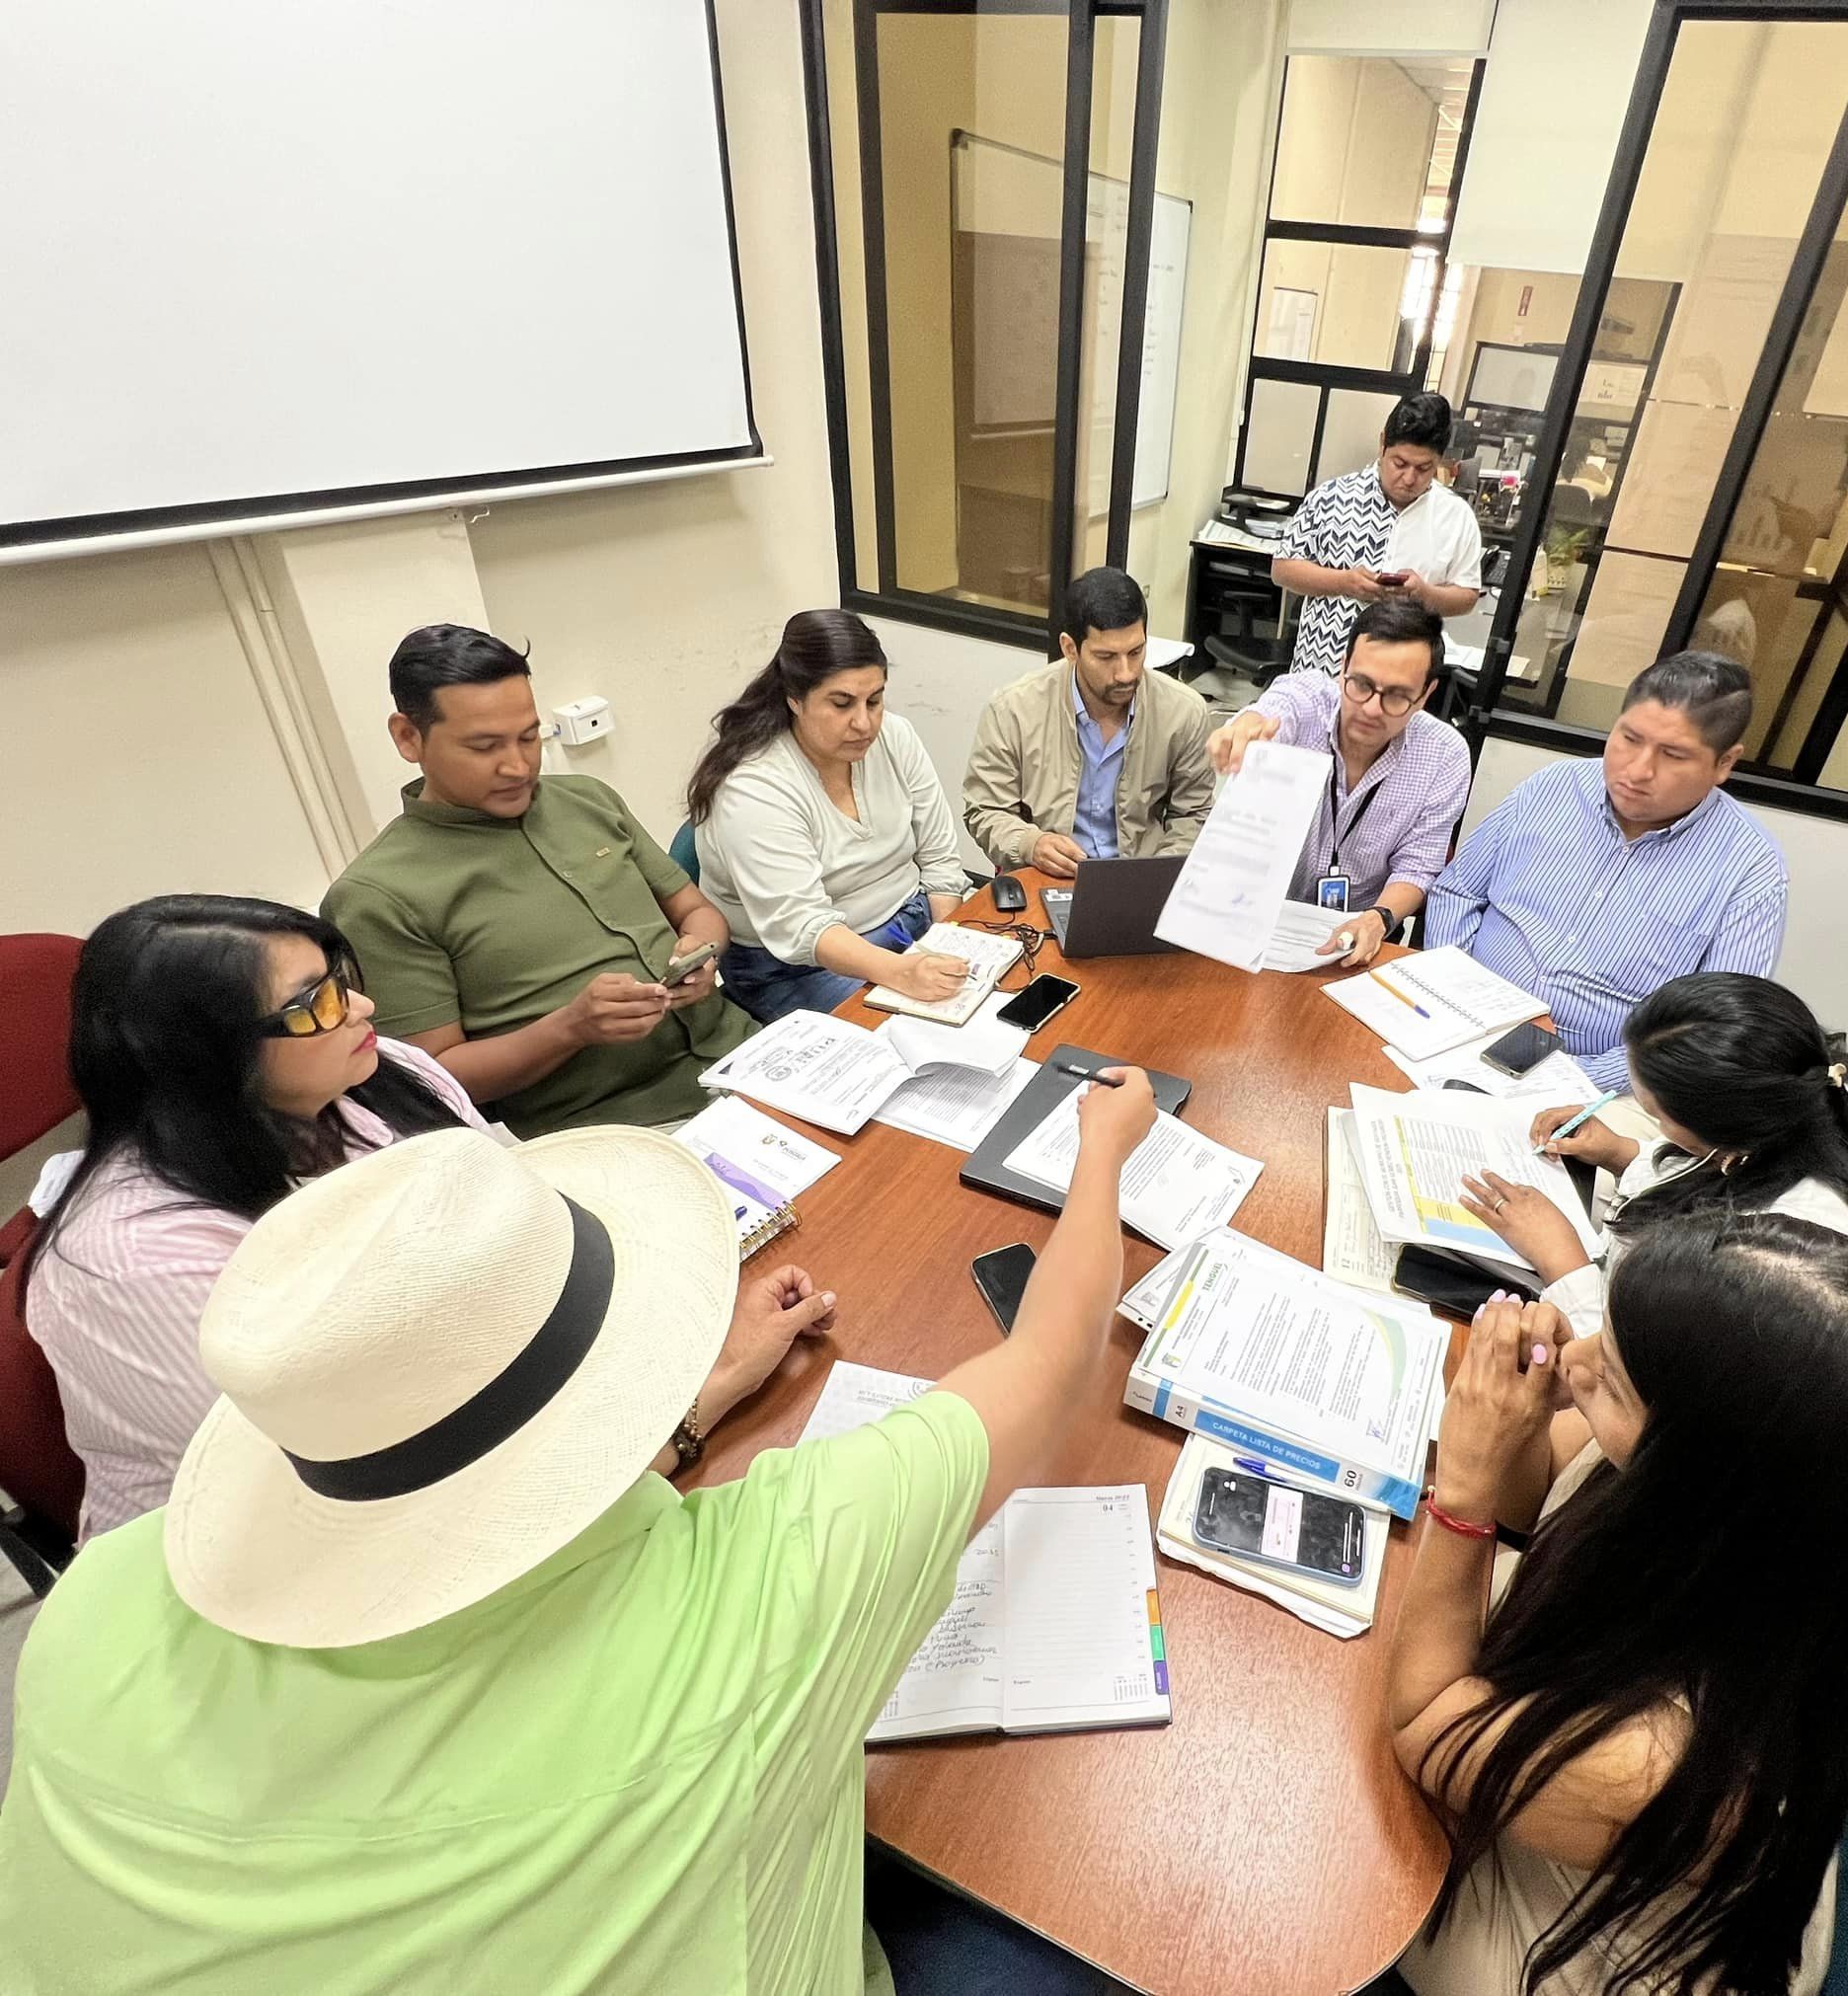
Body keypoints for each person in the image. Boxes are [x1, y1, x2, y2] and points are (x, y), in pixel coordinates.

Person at [0, 1061, 1159, 1995]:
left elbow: (455, 1509)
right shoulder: (758, 1587)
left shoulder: (98, 1600)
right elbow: (1050, 1360)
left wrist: (696, 1407)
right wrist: (1101, 1151)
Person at [1392, 1214, 1848, 1996]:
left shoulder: (1667, 1763)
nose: (1573, 1359)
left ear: (1704, 1477)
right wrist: (1526, 1426)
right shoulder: (1737, 1525)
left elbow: (1423, 1725)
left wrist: (1464, 1489)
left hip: (1553, 1950)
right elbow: (1533, 1501)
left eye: (1613, 1379)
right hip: (1543, 1764)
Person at [23, 895, 486, 1539]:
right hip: (275, 1535)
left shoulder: (387, 1073)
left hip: (457, 1428)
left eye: (339, 981)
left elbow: (523, 1215)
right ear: (206, 1055)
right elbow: (315, 1469)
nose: (361, 1008)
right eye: (315, 1003)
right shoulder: (135, 1263)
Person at [322, 624, 753, 1138]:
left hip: (741, 1054)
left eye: (530, 737)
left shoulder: (587, 800)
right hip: (619, 1123)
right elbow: (434, 1078)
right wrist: (571, 1027)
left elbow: (696, 911)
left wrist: (701, 953)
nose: (517, 766)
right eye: (484, 746)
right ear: (408, 737)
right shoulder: (378, 897)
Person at [1456, 973, 1848, 1334]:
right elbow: (1709, 1171)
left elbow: (1639, 1369)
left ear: (1724, 1130)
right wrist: (1620, 1152)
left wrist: (1561, 1260)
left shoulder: (1776, 1257)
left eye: (1657, 1115)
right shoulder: (1813, 1090)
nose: (1657, 1128)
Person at [1424, 652, 1788, 1090]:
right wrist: (1453, 996)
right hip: (1456, 1027)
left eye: (1673, 755)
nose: (1638, 770)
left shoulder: (1751, 870)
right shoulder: (1552, 788)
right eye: (1629, 738)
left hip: (1595, 1083)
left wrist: (1572, 1082)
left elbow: (1709, 1029)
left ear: (1725, 763)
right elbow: (1459, 892)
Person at [692, 610, 975, 1024]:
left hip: (909, 921)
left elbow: (939, 860)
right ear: (794, 699)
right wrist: (903, 973)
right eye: (841, 704)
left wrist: (949, 942)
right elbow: (803, 927)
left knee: (996, 1005)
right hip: (798, 965)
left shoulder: (895, 736)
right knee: (914, 1037)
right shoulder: (753, 786)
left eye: (874, 701)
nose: (864, 723)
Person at [1205, 596, 1471, 967]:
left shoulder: (1445, 755)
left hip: (1356, 937)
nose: (1371, 709)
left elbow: (1418, 867)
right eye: (1361, 684)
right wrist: (1246, 729)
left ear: (1425, 694)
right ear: (1343, 667)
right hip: (1257, 917)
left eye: (1397, 695)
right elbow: (1275, 710)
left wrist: (1378, 919)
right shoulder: (1310, 701)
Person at [962, 565, 1214, 878]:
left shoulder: (1183, 712)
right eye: (1106, 657)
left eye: (1136, 652)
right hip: (1045, 876)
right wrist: (1030, 844)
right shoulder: (1013, 709)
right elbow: (985, 809)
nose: (1126, 673)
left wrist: (1155, 876)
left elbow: (1193, 814)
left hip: (1139, 874)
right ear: (1070, 648)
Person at [1274, 391, 1485, 677]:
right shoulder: (1331, 497)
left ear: (1440, 460)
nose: (1409, 478)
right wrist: (1344, 582)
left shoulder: (1456, 516)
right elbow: (1283, 570)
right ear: (1383, 443)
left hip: (1401, 678)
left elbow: (1467, 596)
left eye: (1424, 468)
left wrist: (1423, 594)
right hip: (1321, 668)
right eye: (1400, 463)